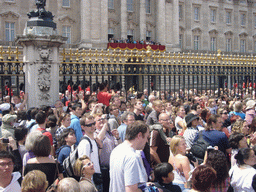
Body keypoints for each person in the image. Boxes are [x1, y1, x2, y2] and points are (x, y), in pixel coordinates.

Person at [109, 121, 150, 192]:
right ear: (139, 135)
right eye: (146, 137)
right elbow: (131, 190)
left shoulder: (116, 150)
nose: (146, 141)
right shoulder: (132, 157)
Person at [77, 115, 102, 191]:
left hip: (97, 176)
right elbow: (84, 164)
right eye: (89, 125)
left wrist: (100, 146)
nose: (92, 126)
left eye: (93, 123)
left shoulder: (93, 140)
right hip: (91, 179)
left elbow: (96, 157)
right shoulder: (85, 143)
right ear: (83, 127)